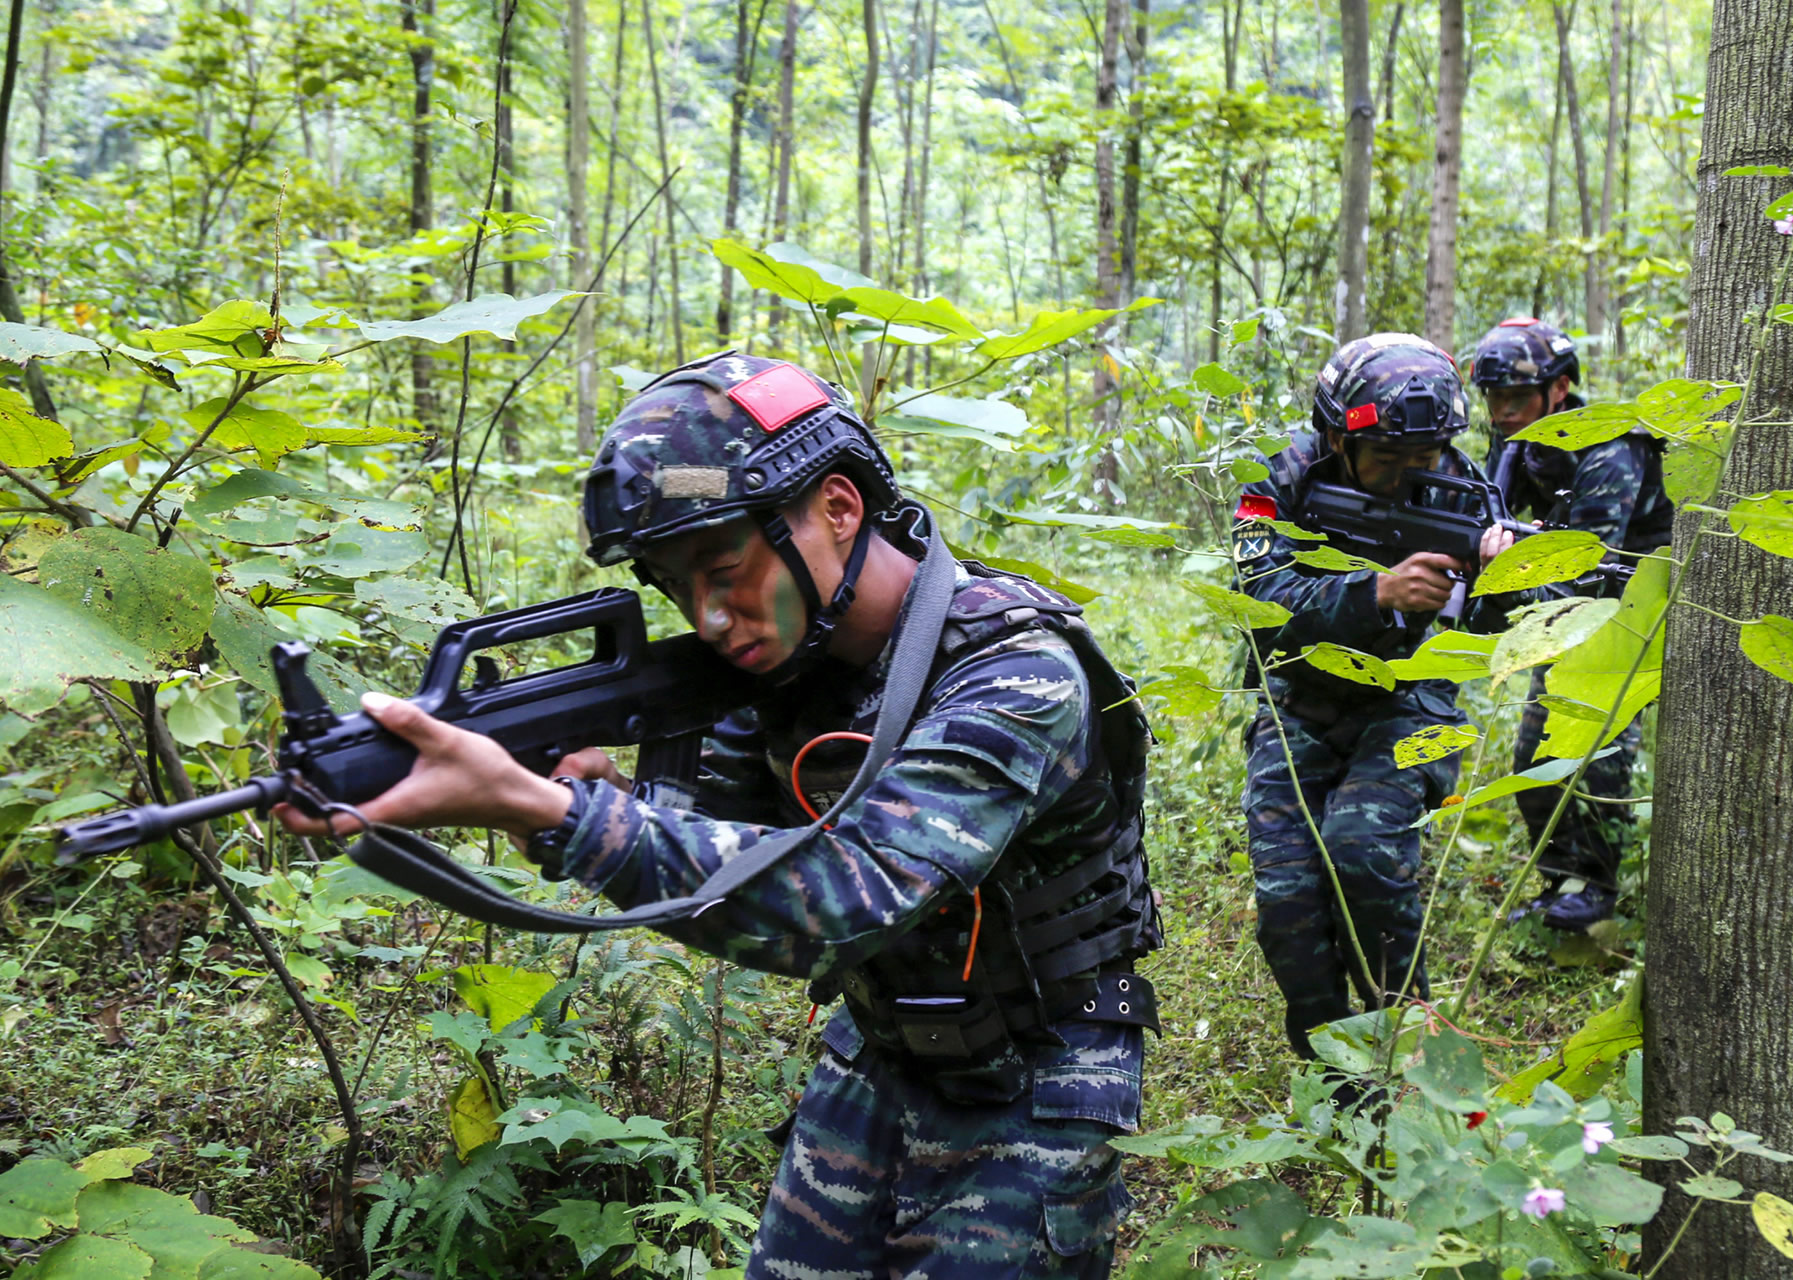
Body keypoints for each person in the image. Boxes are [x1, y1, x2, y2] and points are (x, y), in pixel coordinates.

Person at [275, 352, 1162, 1278]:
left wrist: (556, 814)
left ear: (839, 509)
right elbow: (721, 831)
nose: (705, 617)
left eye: (725, 566)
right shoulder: (781, 667)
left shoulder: (1017, 672)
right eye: (670, 581)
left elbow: (849, 896)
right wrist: (583, 802)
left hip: (1040, 1072)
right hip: (878, 1050)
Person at [1233, 333, 1529, 1060]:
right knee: (1286, 902)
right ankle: (1330, 1063)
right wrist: (1374, 593)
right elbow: (1256, 598)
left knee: (1362, 852)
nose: (1404, 479)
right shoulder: (1278, 482)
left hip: (1411, 700)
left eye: (1420, 463)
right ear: (1337, 437)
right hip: (1300, 697)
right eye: (1386, 462)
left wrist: (1502, 577)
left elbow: (1491, 630)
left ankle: (1409, 1043)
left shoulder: (1468, 488)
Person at [1469, 317, 1672, 931]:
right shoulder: (1523, 446)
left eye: (1516, 398)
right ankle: (1561, 882)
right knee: (1534, 756)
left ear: (1559, 391)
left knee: (1598, 753)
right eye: (1494, 399)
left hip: (1633, 607)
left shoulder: (1611, 442)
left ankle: (1600, 889)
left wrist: (1513, 577)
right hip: (1566, 605)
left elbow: (1592, 558)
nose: (1503, 411)